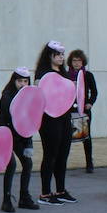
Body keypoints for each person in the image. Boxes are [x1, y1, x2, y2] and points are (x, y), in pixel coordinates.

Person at [34, 42, 76, 204]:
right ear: (49, 55)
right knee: (50, 154)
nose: (61, 57)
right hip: (49, 119)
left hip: (65, 117)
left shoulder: (64, 72)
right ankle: (45, 193)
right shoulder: (43, 73)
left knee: (63, 154)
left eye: (62, 54)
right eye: (57, 54)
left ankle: (60, 190)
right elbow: (39, 95)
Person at [0, 68, 38, 211]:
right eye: (19, 81)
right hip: (6, 134)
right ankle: (6, 199)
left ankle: (24, 197)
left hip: (20, 136)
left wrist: (28, 143)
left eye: (25, 81)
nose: (22, 84)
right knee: (12, 165)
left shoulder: (30, 98)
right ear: (14, 81)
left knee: (27, 163)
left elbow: (31, 121)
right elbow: (10, 116)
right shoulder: (7, 95)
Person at [68, 50, 98, 174]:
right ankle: (62, 162)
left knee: (86, 137)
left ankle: (89, 163)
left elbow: (94, 92)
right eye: (74, 61)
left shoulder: (88, 75)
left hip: (84, 110)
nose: (76, 63)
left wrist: (90, 103)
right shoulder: (65, 75)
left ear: (83, 62)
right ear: (70, 62)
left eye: (79, 60)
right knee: (66, 137)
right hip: (68, 110)